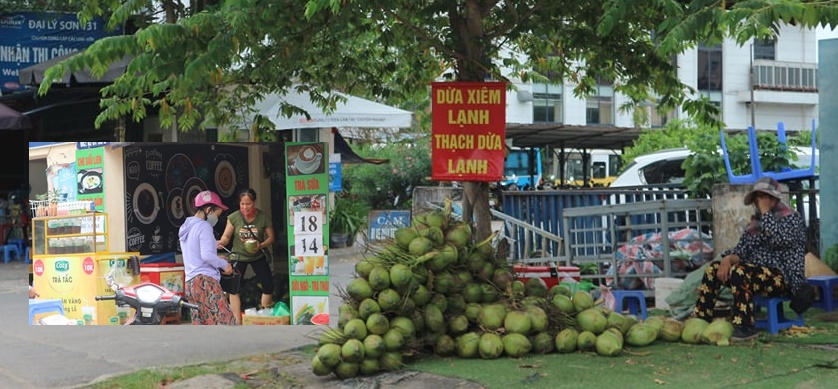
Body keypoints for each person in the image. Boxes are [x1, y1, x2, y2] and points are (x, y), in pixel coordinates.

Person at [693, 177, 814, 340]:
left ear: (773, 198)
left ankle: (745, 327)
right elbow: (741, 250)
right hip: (754, 274)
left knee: (740, 272)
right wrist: (728, 259)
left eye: (762, 197)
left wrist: (766, 213)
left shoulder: (791, 219)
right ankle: (701, 320)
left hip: (784, 278)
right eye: (756, 198)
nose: (758, 202)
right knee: (713, 270)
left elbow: (779, 240)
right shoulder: (755, 224)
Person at [218, 188, 275, 323]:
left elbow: (271, 238)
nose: (245, 207)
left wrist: (260, 245)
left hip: (257, 256)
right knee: (233, 288)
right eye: (242, 204)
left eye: (248, 203)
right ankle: (237, 320)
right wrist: (222, 242)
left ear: (254, 202)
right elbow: (226, 236)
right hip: (238, 256)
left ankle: (264, 314)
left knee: (267, 285)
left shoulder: (263, 217)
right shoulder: (234, 217)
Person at [179, 190, 237, 325]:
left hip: (190, 283)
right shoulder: (204, 226)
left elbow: (196, 252)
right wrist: (225, 265)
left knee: (201, 324)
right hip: (206, 282)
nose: (216, 219)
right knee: (225, 322)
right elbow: (206, 256)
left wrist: (213, 246)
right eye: (217, 214)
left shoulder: (186, 227)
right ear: (209, 209)